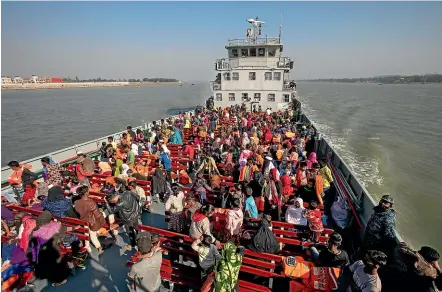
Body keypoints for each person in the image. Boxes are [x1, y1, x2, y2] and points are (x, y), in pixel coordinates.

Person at [28, 211, 70, 287]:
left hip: (42, 254)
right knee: (57, 264)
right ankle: (61, 280)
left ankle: (53, 277)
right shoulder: (55, 225)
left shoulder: (34, 230)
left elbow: (31, 244)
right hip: (53, 251)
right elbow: (64, 230)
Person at [74, 186, 115, 254]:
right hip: (93, 223)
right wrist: (102, 221)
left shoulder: (76, 202)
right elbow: (98, 215)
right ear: (86, 192)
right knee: (110, 213)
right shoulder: (91, 202)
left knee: (92, 235)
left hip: (84, 221)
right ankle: (114, 231)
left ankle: (99, 247)